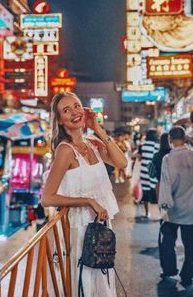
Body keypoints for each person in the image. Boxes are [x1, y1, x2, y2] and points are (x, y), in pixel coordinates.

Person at [42, 92, 127, 297]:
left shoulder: (91, 143)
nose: (74, 113)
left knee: (100, 284)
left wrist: (97, 129)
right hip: (80, 230)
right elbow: (48, 197)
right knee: (85, 285)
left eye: (77, 106)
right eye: (66, 110)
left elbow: (122, 163)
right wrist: (89, 201)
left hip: (99, 227)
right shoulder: (65, 151)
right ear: (60, 120)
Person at [158, 126, 193, 287]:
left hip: (173, 209)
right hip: (191, 210)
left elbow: (165, 185)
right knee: (190, 245)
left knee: (168, 242)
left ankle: (169, 270)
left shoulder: (168, 159)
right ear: (185, 138)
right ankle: (187, 275)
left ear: (170, 140)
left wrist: (164, 208)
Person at [139, 128, 159, 218]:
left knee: (145, 193)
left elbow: (139, 157)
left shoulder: (143, 145)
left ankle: (147, 213)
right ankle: (161, 214)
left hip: (144, 172)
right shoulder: (157, 145)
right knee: (157, 193)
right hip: (154, 173)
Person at [151, 132, 171, 200]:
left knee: (162, 208)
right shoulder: (174, 154)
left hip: (160, 185)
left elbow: (151, 174)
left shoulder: (156, 155)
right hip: (173, 185)